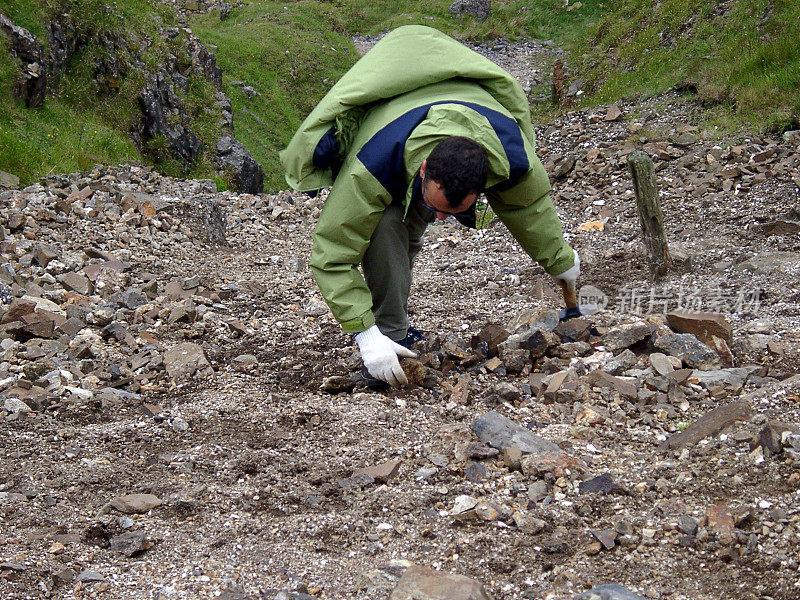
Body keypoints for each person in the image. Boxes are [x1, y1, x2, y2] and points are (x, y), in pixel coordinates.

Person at [280, 25, 580, 387]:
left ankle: (393, 319)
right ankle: (392, 332)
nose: (440, 219)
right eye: (437, 206)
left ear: (484, 183)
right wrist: (366, 335)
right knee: (387, 225)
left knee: (409, 225)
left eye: (452, 213)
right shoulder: (371, 165)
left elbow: (528, 209)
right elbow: (332, 253)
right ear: (424, 169)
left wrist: (561, 261)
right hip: (394, 134)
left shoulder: (512, 157)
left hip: (462, 122)